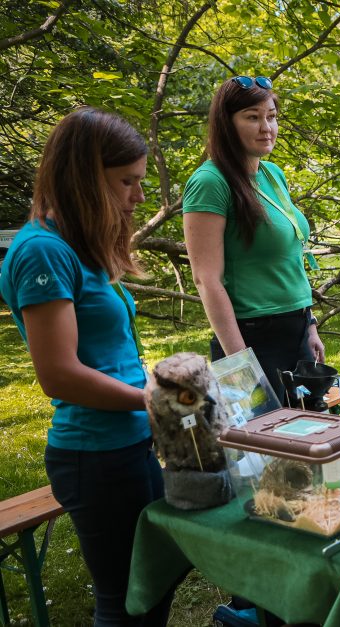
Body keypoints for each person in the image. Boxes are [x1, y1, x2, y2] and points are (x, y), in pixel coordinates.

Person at [0, 108, 174, 625]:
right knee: (125, 599)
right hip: (95, 454)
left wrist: (159, 385)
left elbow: (108, 354)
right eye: (127, 182)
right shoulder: (42, 253)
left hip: (131, 440)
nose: (139, 197)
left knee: (154, 582)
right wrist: (151, 398)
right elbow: (59, 373)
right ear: (82, 176)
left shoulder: (79, 247)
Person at [183, 76, 324, 404]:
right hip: (251, 337)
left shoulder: (273, 174)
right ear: (226, 123)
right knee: (269, 448)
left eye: (271, 116)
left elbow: (289, 258)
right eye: (252, 117)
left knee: (313, 435)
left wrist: (310, 323)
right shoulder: (210, 181)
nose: (267, 127)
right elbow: (206, 280)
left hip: (297, 331)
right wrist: (240, 363)